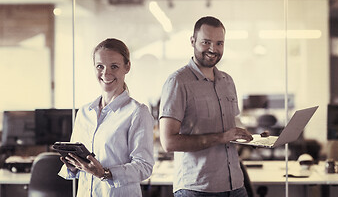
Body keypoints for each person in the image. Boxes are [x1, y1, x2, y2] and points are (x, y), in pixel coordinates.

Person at [159, 16, 253, 197]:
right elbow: (168, 142)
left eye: (219, 43)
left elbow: (230, 130)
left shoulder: (227, 81)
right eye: (206, 42)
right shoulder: (178, 82)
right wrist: (222, 137)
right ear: (192, 41)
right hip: (197, 189)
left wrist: (251, 137)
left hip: (235, 185)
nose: (213, 49)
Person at [58, 38, 154, 197]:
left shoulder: (137, 112)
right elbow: (77, 168)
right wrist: (73, 164)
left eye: (114, 66)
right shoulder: (84, 112)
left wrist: (105, 173)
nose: (106, 73)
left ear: (127, 67)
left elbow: (144, 167)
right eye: (100, 66)